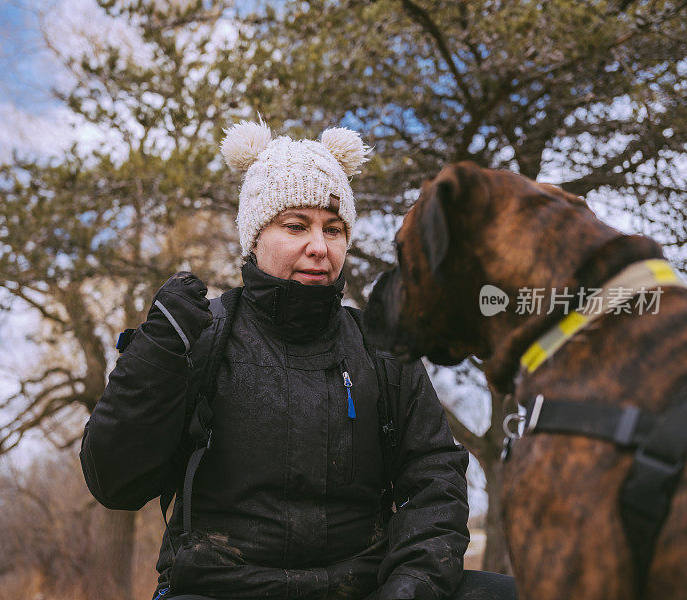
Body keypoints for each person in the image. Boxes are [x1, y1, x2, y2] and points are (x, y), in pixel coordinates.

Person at [80, 120, 516, 599]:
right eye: (295, 226)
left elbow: (434, 479)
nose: (319, 246)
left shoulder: (382, 349)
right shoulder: (198, 338)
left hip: (364, 587)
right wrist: (156, 357)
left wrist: (412, 586)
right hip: (223, 587)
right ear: (255, 236)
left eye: (333, 229)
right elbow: (115, 483)